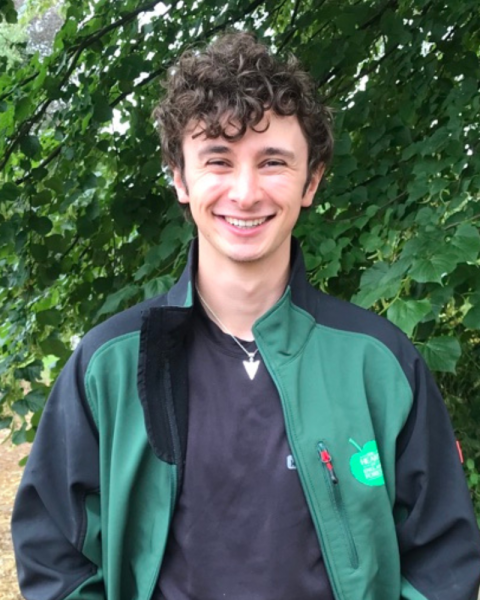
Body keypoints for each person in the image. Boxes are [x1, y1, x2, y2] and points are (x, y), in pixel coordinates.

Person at [11, 32, 480, 600]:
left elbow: (442, 564)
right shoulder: (109, 365)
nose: (245, 191)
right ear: (180, 178)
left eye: (273, 162)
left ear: (311, 181)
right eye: (218, 160)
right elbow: (57, 556)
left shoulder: (378, 363)